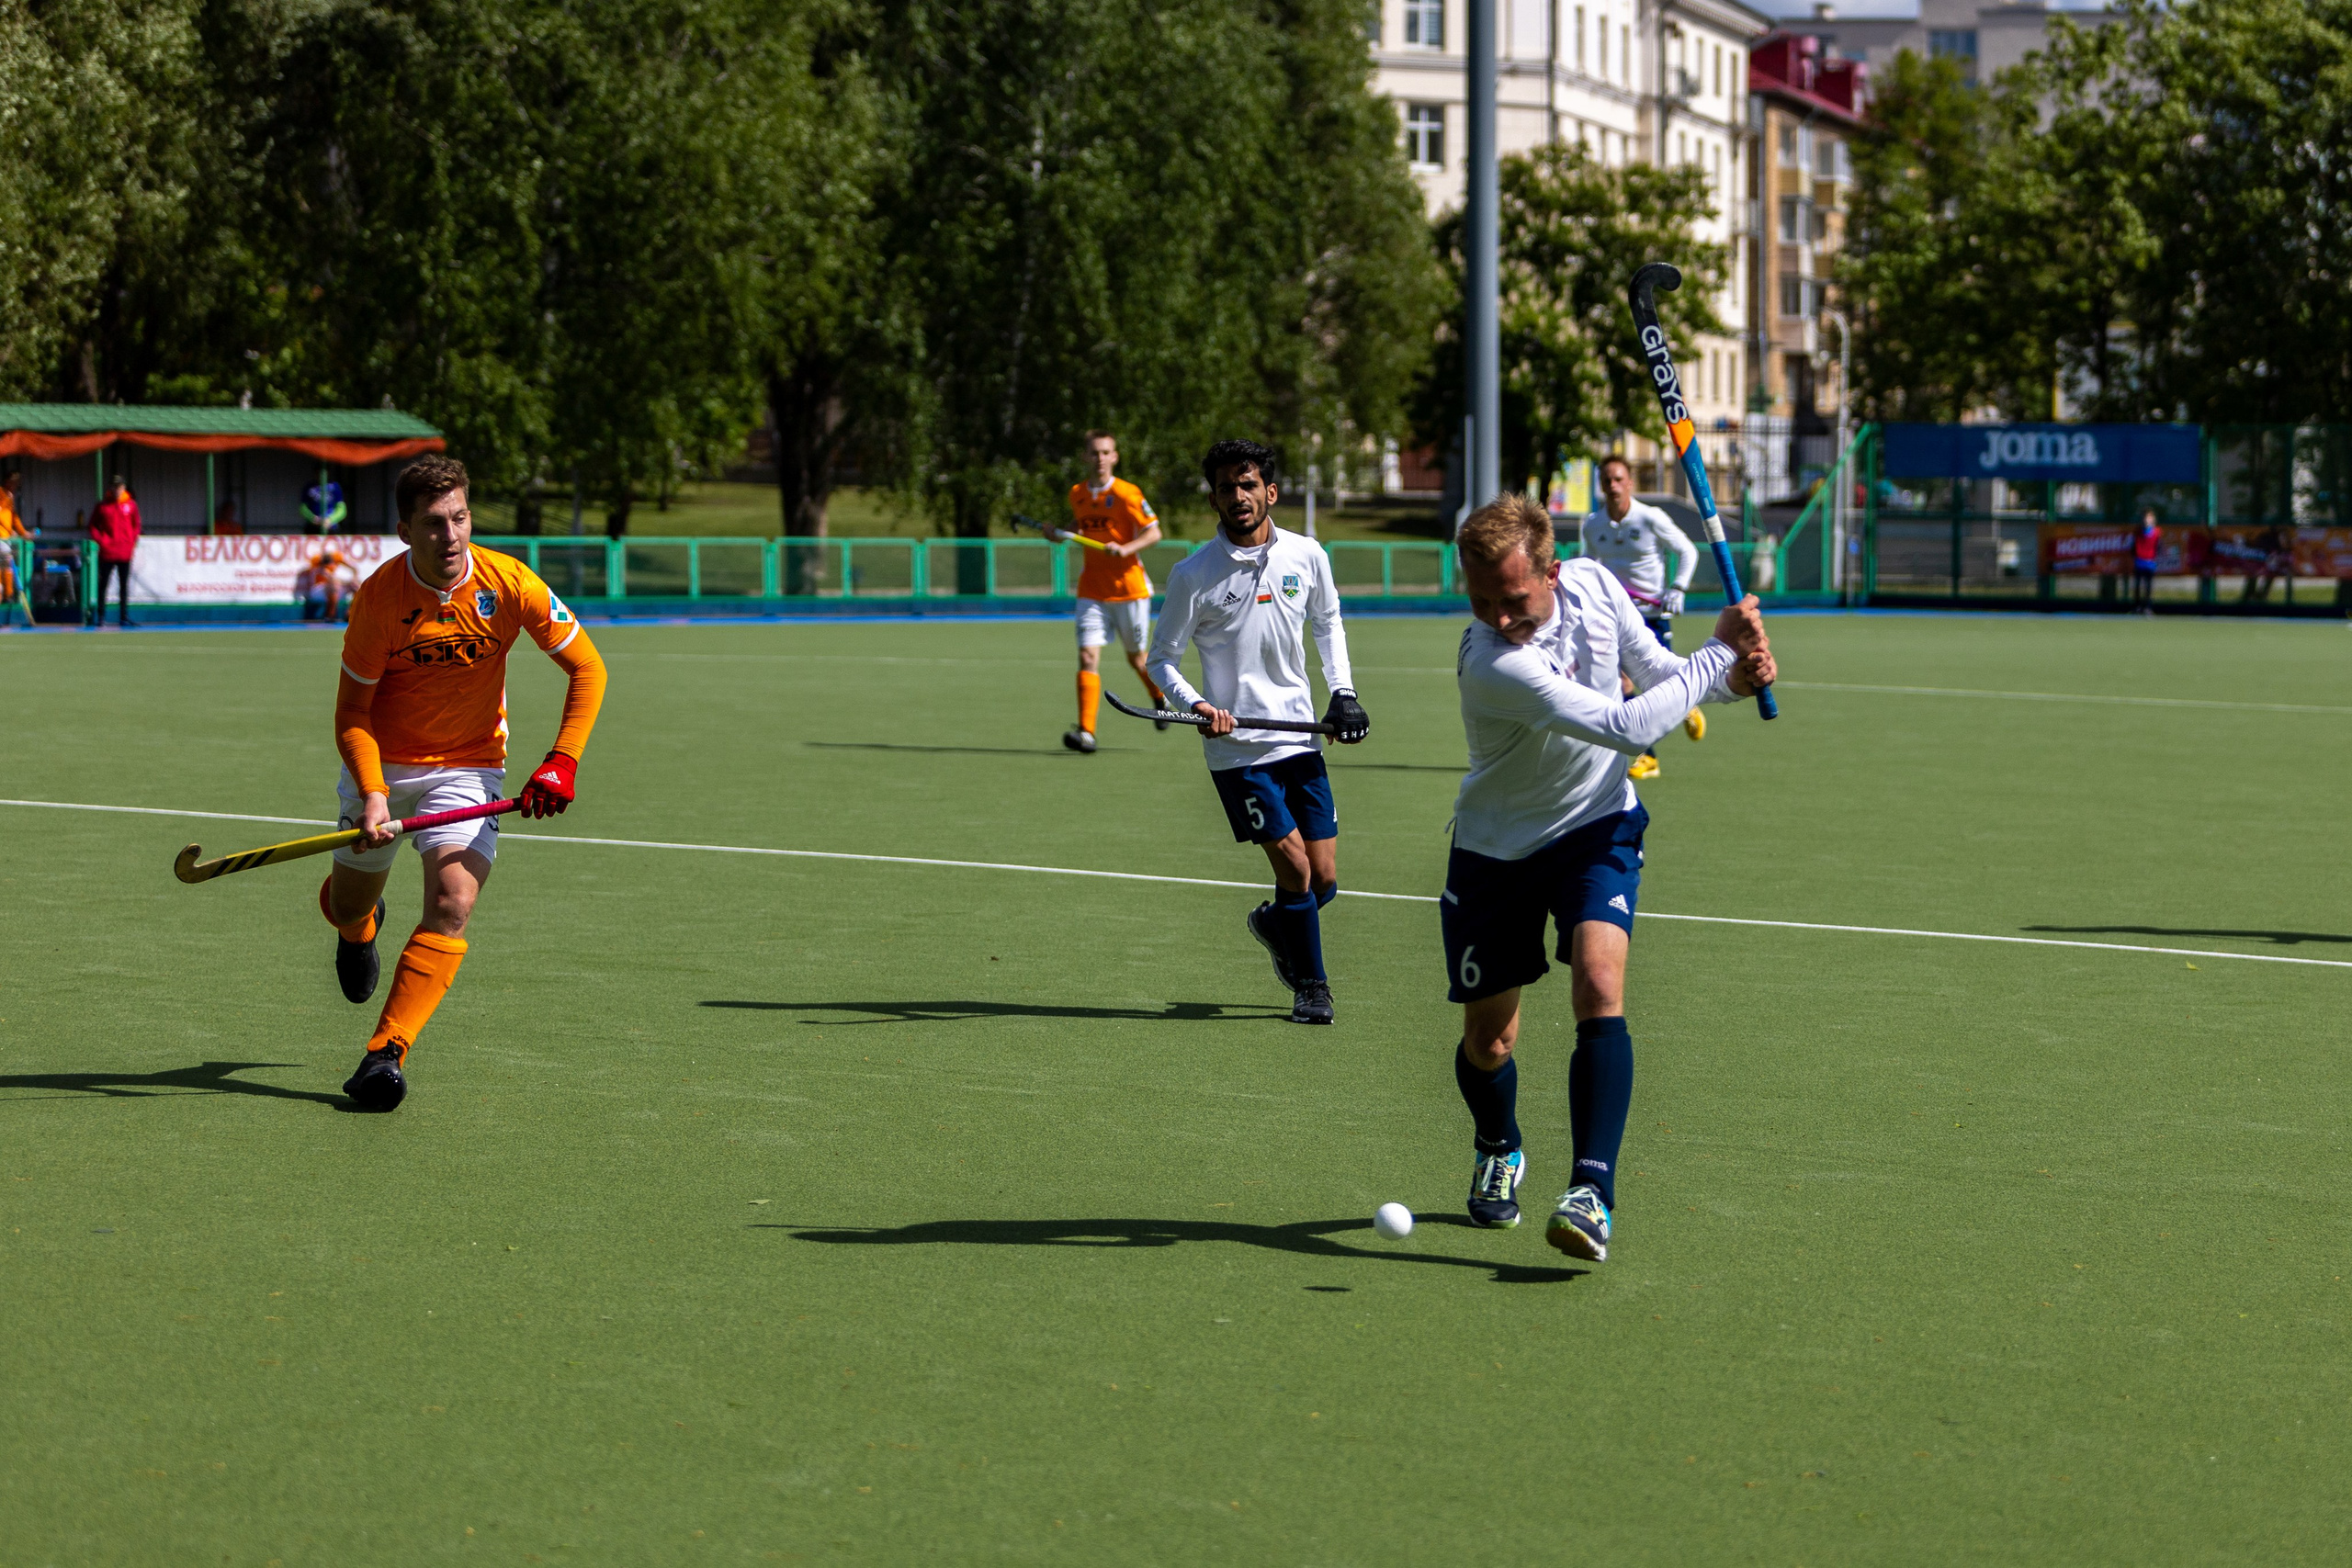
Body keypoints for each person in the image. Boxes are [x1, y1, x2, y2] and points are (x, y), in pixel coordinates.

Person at [1445, 494, 1773, 1259]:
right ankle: (1499, 1145)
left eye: (1514, 598)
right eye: (1481, 599)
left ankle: (1592, 1191)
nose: (1498, 615)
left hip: (1597, 827)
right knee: (1490, 1041)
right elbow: (1626, 723)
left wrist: (1735, 679)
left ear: (1554, 572)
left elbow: (1659, 674)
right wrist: (1720, 653)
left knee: (1598, 981)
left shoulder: (1596, 586)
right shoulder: (1491, 662)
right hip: (1497, 849)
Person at [321, 455, 608, 1111]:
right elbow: (351, 715)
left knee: (453, 901)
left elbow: (588, 669)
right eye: (431, 523)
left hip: (469, 764)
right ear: (404, 529)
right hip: (385, 767)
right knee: (347, 903)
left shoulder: (508, 583)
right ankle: (356, 926)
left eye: (458, 518)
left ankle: (385, 1053)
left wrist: (561, 759)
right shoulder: (379, 600)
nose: (449, 536)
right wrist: (371, 792)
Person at [1148, 438, 1369, 1026]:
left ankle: (1274, 923)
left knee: (1323, 880)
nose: (1238, 497)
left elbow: (1328, 623)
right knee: (1294, 870)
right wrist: (1197, 704)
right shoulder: (1193, 573)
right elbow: (1160, 658)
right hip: (1238, 750)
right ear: (1214, 497)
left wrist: (1343, 693)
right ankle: (1311, 986)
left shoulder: (1306, 555)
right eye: (1226, 488)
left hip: (1299, 735)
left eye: (1248, 486)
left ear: (1270, 491)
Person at [1579, 454, 1702, 779]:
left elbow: (1688, 550)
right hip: (1616, 617)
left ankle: (1685, 705)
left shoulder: (1651, 518)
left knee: (1659, 684)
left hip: (1651, 614)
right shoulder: (1593, 524)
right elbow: (1589, 567)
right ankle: (1647, 757)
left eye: (1619, 479)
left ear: (1630, 483)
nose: (1613, 485)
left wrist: (1677, 588)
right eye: (1607, 480)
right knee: (1619, 682)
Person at [1054, 431, 1168, 751]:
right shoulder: (1076, 493)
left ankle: (1159, 697)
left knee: (1137, 659)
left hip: (1129, 589)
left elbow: (1154, 532)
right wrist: (1060, 533)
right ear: (1085, 457)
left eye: (1106, 453)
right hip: (1091, 589)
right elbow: (1081, 527)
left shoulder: (1127, 493)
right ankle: (1086, 732)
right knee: (1088, 655)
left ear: (1115, 457)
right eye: (1094, 453)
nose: (1100, 458)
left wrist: (1127, 547)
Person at [86, 477, 141, 627]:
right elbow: (92, 525)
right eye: (114, 487)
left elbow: (136, 525)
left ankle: (124, 616)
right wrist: (102, 541)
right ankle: (101, 617)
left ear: (124, 488)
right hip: (107, 553)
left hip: (124, 552)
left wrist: (131, 541)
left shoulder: (130, 505)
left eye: (120, 487)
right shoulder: (103, 506)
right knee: (103, 584)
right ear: (110, 488)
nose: (117, 490)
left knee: (124, 585)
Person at [297, 543, 356, 621]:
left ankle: (350, 612)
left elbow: (354, 569)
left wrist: (352, 577)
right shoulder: (317, 563)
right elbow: (326, 575)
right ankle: (330, 615)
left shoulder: (336, 558)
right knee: (333, 584)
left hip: (335, 588)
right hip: (319, 590)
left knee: (355, 584)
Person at [2130, 508, 2161, 613]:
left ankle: (2147, 607)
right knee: (2137, 585)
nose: (2146, 520)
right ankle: (2137, 606)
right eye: (2145, 518)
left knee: (2148, 586)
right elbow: (2133, 547)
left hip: (2150, 563)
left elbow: (2159, 547)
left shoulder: (2156, 533)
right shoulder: (2138, 532)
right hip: (2139, 562)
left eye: (2149, 518)